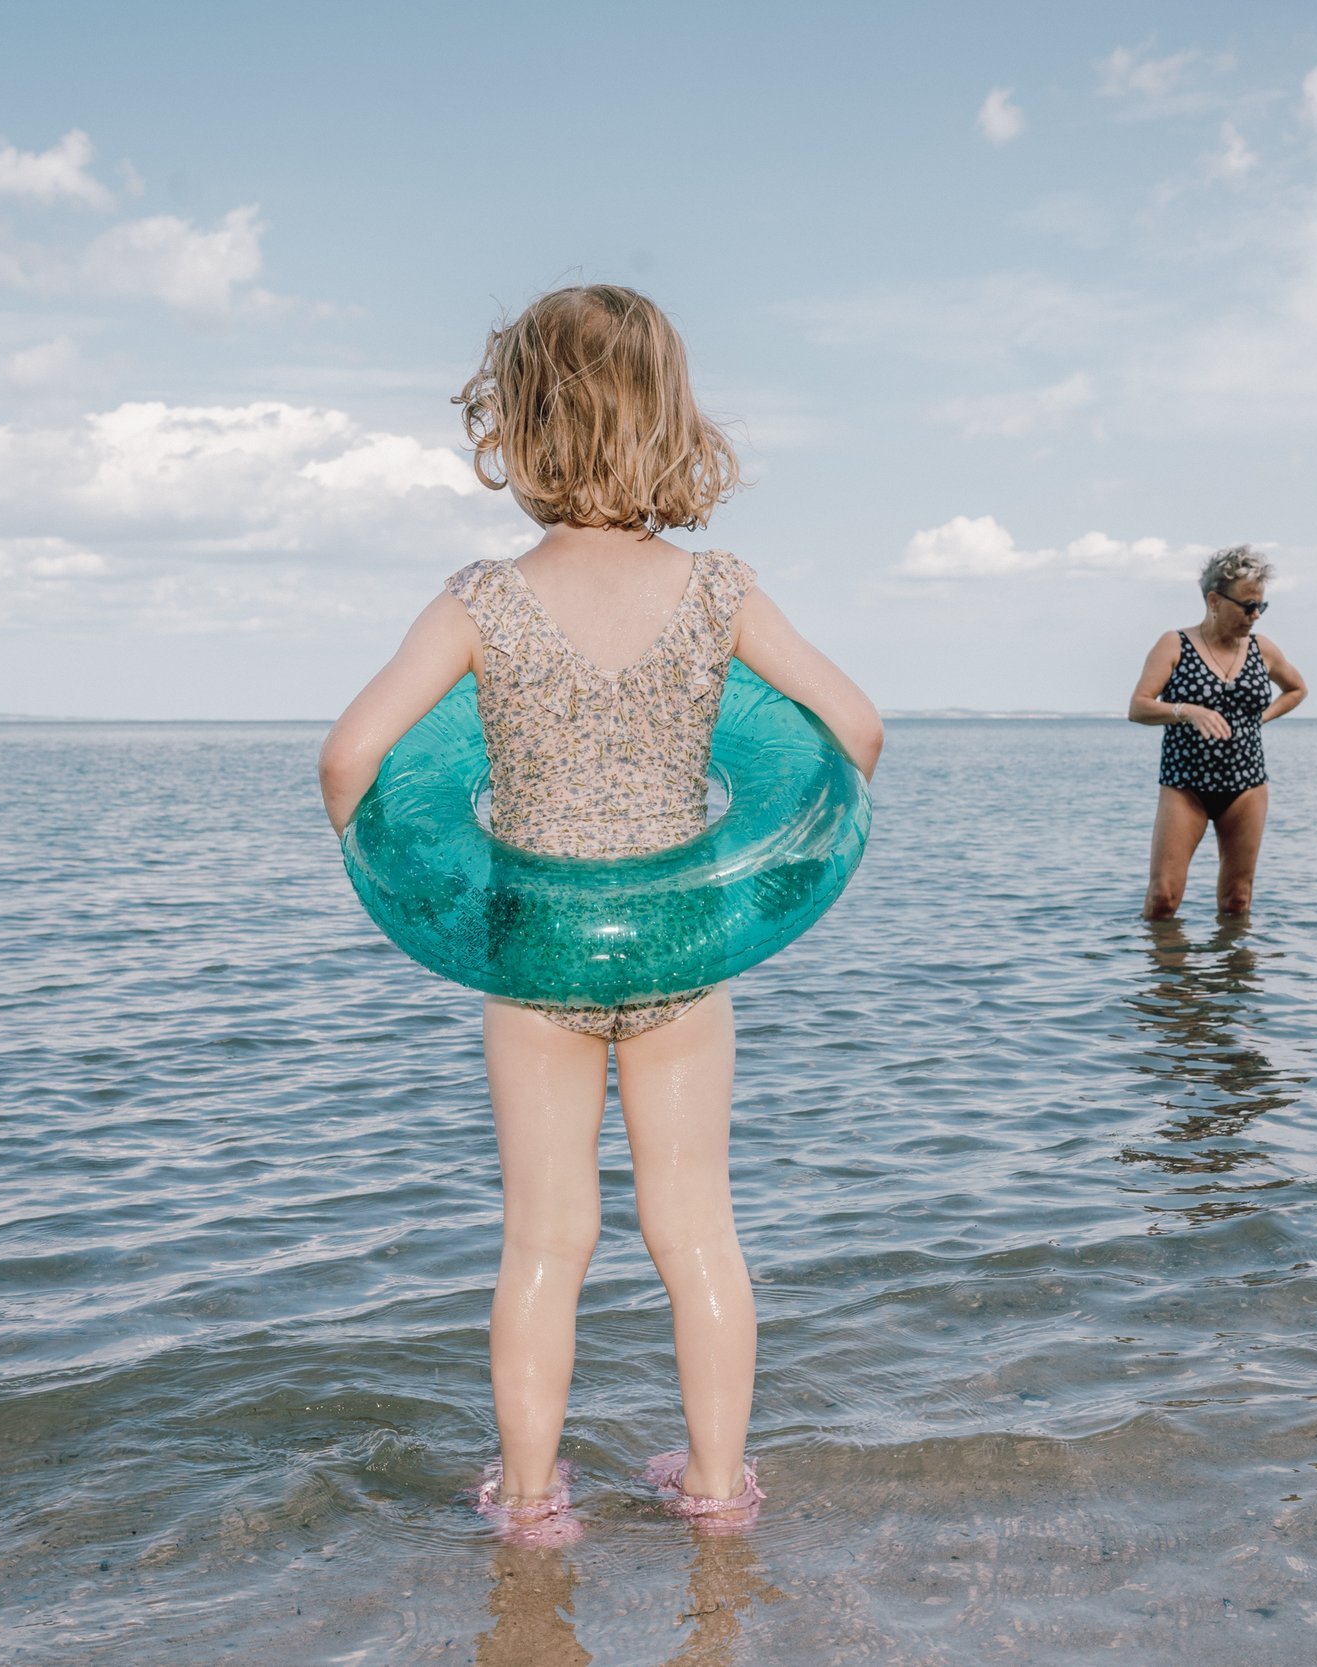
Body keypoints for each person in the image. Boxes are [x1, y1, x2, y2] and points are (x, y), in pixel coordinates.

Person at [316, 286, 882, 1541]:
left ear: (518, 427)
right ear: (672, 422)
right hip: (684, 954)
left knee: (545, 1235)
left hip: (532, 955)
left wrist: (410, 880)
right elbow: (860, 727)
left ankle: (527, 1502)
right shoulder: (721, 589)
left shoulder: (481, 598)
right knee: (695, 1224)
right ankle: (719, 1488)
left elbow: (350, 758)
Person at [1125, 546, 1308, 920]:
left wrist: (1260, 719)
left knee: (1237, 901)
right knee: (1163, 898)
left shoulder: (1262, 648)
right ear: (1214, 600)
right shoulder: (1174, 644)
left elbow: (1297, 689)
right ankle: (1165, 978)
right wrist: (1186, 711)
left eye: (1261, 606)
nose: (1254, 615)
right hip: (1185, 786)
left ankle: (1232, 977)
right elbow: (1139, 707)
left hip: (1246, 787)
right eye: (1246, 606)